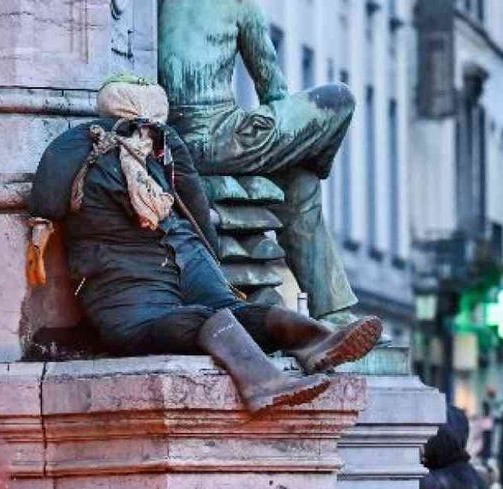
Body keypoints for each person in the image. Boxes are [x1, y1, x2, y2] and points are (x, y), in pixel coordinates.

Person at [28, 76, 382, 413]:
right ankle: (286, 362)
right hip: (147, 285)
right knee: (213, 315)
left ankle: (306, 351)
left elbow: (50, 195)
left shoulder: (126, 142)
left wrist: (207, 263)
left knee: (223, 314)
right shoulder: (117, 142)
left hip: (160, 272)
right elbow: (194, 205)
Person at [158, 0, 362, 322]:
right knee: (340, 99)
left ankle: (334, 311)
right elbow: (272, 89)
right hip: (222, 139)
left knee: (299, 182)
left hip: (173, 143)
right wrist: (299, 149)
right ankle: (333, 311)